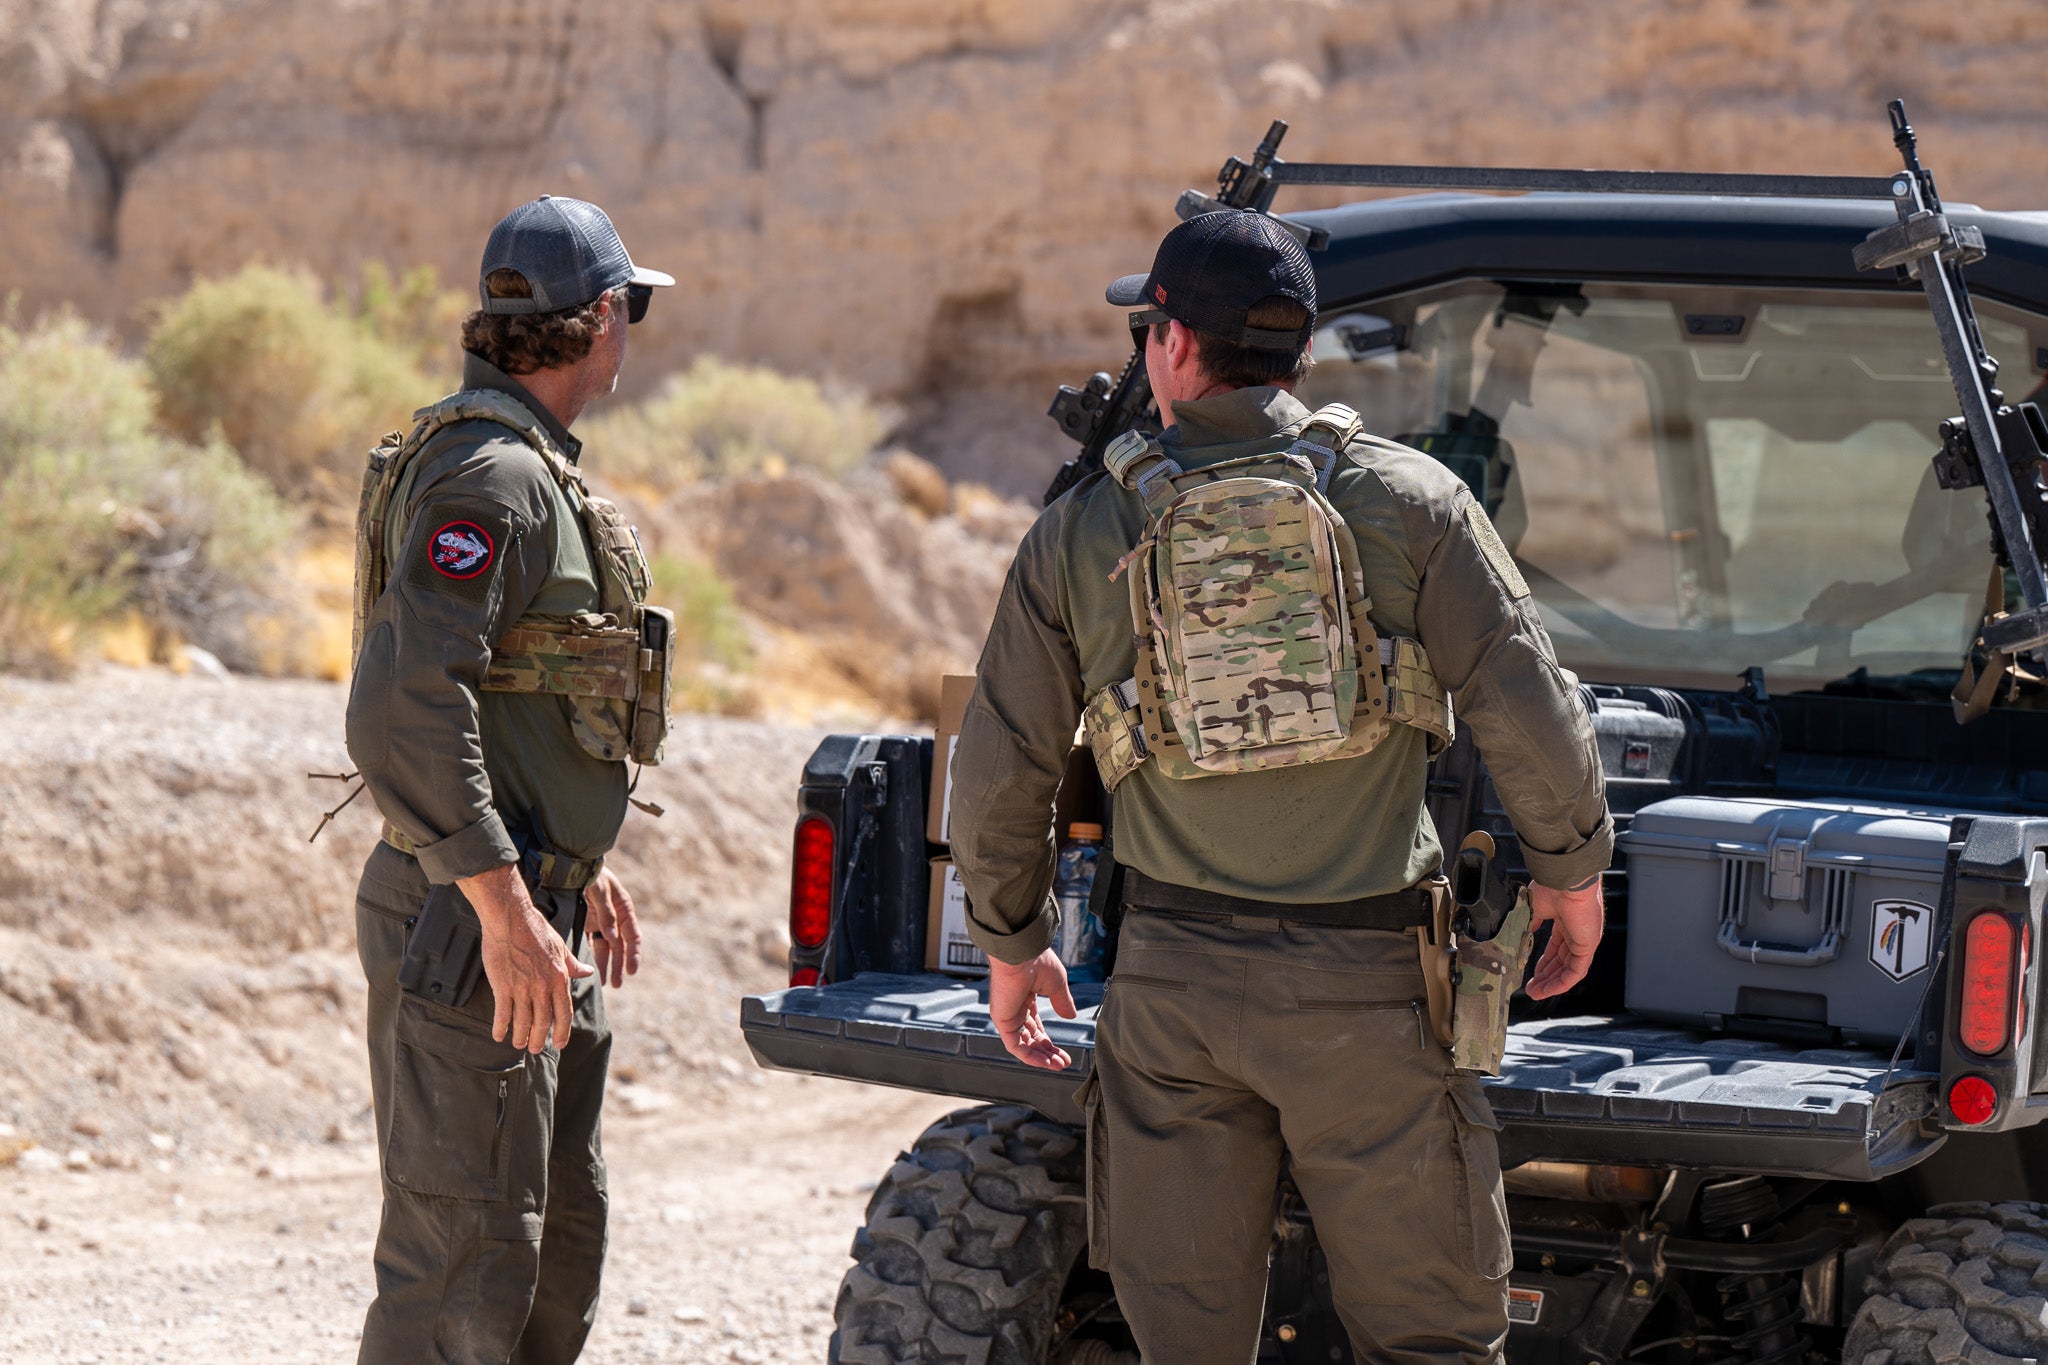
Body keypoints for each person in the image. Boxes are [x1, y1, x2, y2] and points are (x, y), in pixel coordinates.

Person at [947, 210, 1612, 1365]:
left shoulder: (1079, 529)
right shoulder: (1412, 501)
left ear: (1165, 344)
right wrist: (1572, 873)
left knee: (1186, 1346)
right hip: (1372, 1000)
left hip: (1172, 994)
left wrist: (1010, 940)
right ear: (1301, 352)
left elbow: (1002, 762)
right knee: (1433, 1344)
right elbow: (1526, 704)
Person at [344, 194, 674, 1363]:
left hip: (536, 909)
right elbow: (401, 709)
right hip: (472, 927)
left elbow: (515, 697)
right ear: (595, 324)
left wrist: (575, 866)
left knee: (547, 1252)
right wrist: (500, 901)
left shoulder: (534, 474)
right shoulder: (489, 481)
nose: (630, 331)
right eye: (628, 308)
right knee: (458, 1277)